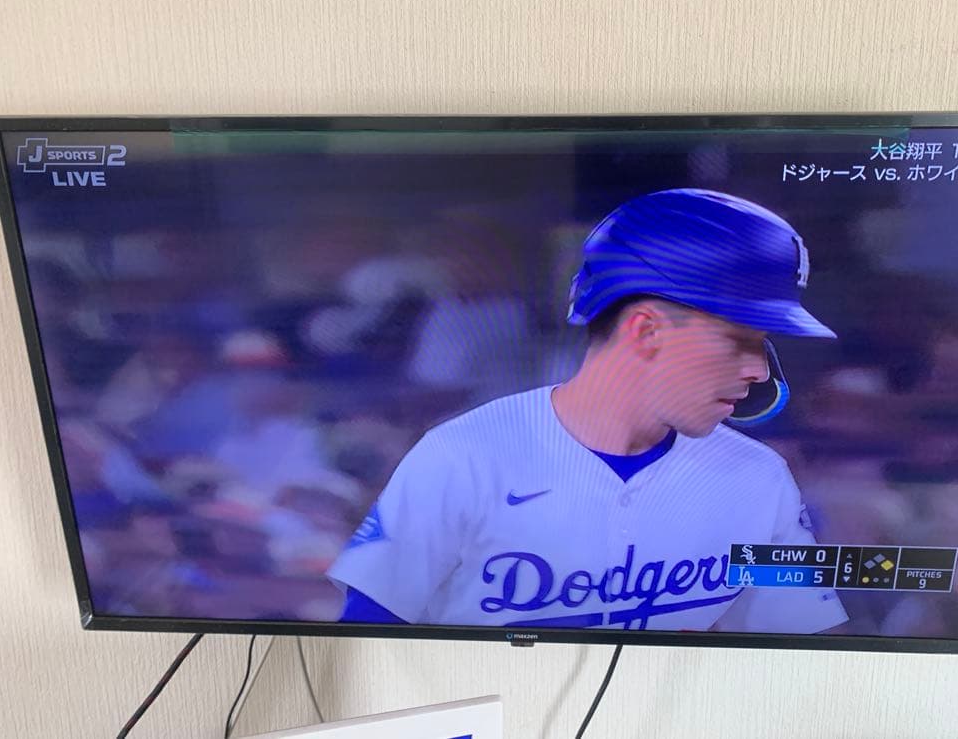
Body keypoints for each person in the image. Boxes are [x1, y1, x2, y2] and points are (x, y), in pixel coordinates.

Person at [326, 188, 848, 633]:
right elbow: (367, 640)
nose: (759, 370)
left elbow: (803, 643)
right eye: (738, 341)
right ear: (646, 331)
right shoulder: (459, 457)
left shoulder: (759, 475)